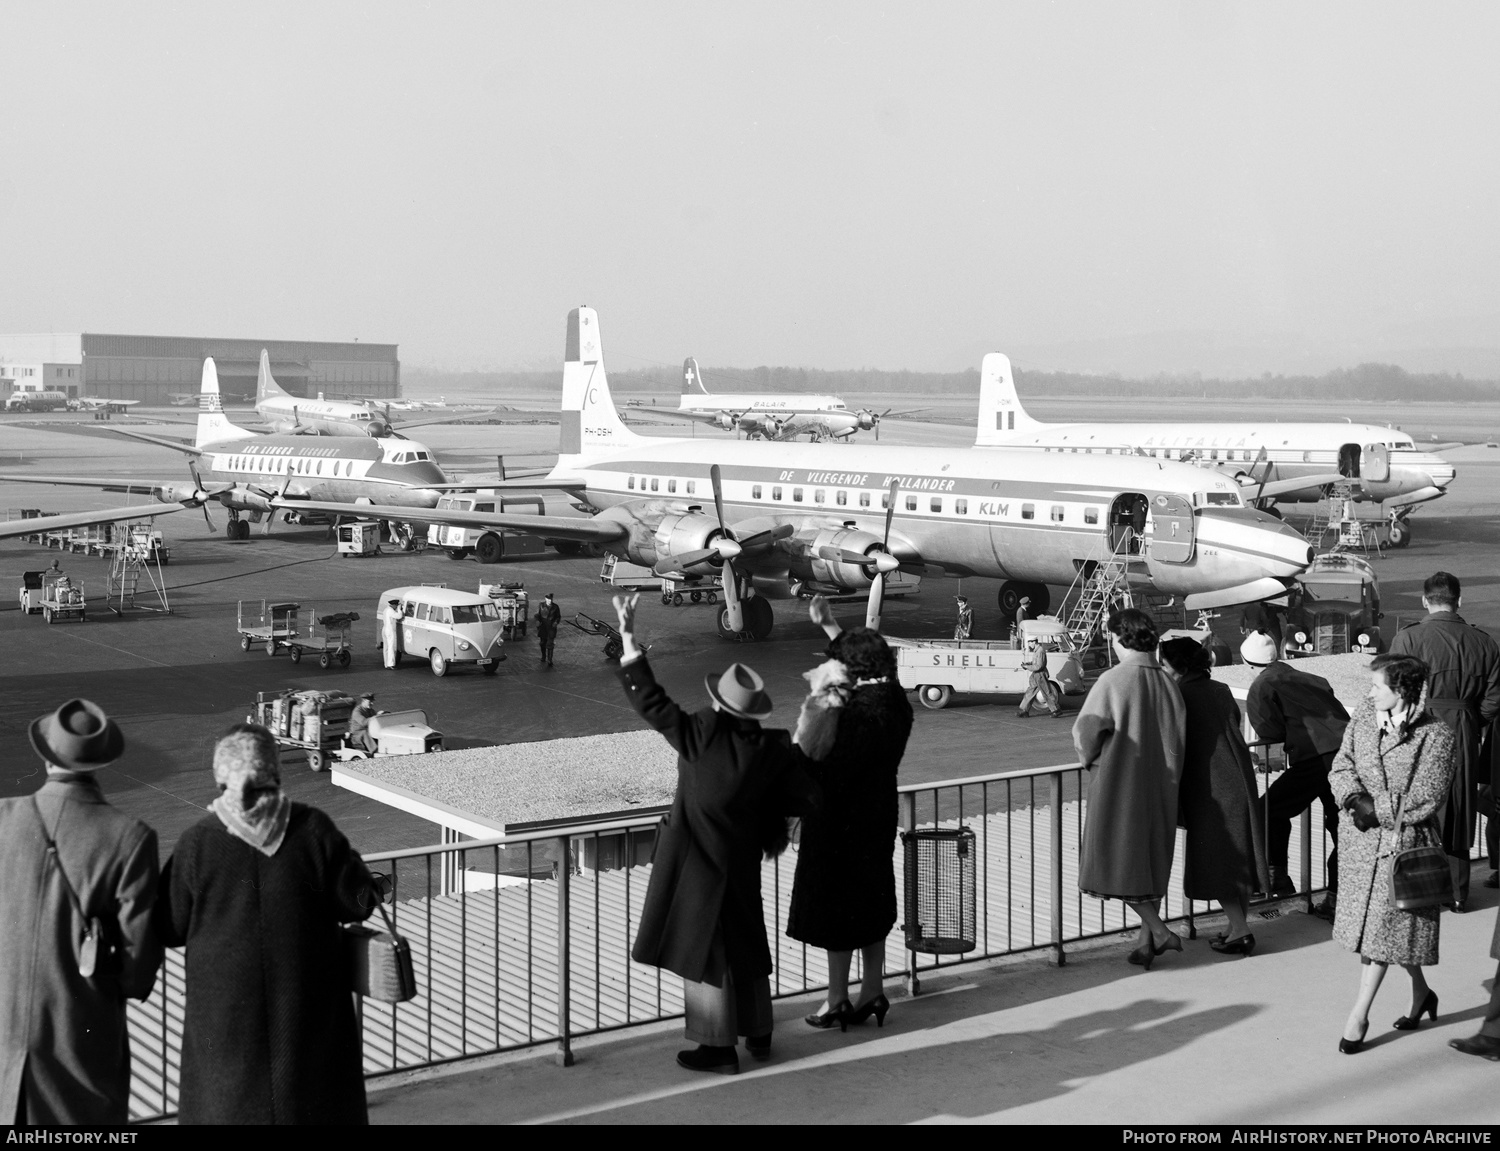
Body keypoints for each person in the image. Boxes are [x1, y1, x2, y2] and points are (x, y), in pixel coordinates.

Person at [614, 592, 814, 1075]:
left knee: (705, 951)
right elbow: (801, 794)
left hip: (698, 864)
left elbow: (653, 704)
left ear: (718, 701)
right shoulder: (771, 749)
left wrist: (627, 636)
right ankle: (760, 1033)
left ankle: (717, 1047)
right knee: (748, 940)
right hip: (743, 858)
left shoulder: (702, 732)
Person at [156, 724, 383, 1123]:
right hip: (305, 1011)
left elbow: (169, 925)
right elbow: (357, 902)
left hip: (225, 1020)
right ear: (272, 770)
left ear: (221, 774)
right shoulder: (312, 829)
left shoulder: (198, 842)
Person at [0, 699, 163, 1125]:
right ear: (101, 760)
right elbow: (136, 974)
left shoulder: (2, 817)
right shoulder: (130, 838)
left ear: (46, 754)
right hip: (79, 1060)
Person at [788, 597, 912, 1031]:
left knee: (836, 911)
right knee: (872, 904)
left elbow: (809, 760)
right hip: (877, 819)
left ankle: (837, 999)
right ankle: (872, 991)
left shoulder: (843, 712)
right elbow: (863, 656)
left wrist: (819, 703)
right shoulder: (897, 703)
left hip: (836, 825)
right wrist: (829, 626)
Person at [1328, 654, 1456, 1054]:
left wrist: (1376, 810)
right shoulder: (1366, 715)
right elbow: (1341, 764)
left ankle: (1358, 1016)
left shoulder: (1437, 736)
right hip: (1359, 843)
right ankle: (1421, 993)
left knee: (1379, 936)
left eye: (1377, 686)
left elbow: (1427, 797)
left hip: (1401, 847)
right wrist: (1352, 798)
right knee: (1389, 935)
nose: (1369, 693)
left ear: (1401, 690)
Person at [1073, 608, 1187, 968]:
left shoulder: (1113, 680)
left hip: (1119, 785)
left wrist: (1091, 759)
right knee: (1148, 863)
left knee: (1114, 862)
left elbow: (1085, 733)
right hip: (1163, 785)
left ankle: (1161, 931)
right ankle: (1146, 943)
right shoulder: (1168, 683)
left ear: (1118, 638)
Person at [1388, 572, 1500, 909]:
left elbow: (1392, 692)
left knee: (1412, 805)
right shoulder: (1485, 642)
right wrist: (1467, 719)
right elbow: (1494, 699)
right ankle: (1456, 893)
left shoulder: (1408, 639)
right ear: (1459, 601)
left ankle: (1415, 889)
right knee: (1459, 808)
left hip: (1418, 729)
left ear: (1425, 600)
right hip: (1462, 729)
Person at [1159, 638, 1270, 954]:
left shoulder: (1180, 696)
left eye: (1165, 664)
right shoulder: (1220, 690)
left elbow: (1174, 745)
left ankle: (1241, 930)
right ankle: (1235, 927)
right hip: (1238, 782)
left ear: (1178, 666)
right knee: (1240, 860)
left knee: (1217, 863)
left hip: (1210, 790)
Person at [1242, 629, 1349, 915]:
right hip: (1349, 751)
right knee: (1344, 827)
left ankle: (1277, 877)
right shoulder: (1313, 678)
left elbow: (1268, 730)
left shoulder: (1263, 685)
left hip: (1317, 758)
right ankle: (1339, 902)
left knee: (1267, 811)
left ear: (1248, 663)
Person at [1017, 636, 1063, 718]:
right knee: (1030, 692)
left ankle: (1056, 710)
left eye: (1030, 642)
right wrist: (1028, 664)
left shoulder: (1040, 651)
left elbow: (1039, 666)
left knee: (1046, 693)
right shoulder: (1037, 650)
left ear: (1034, 642)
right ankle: (1023, 710)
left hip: (1040, 675)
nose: (1029, 644)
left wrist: (1027, 667)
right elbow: (1035, 662)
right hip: (1036, 675)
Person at [536, 592, 562, 666]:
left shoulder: (555, 607)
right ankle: (543, 656)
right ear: (545, 599)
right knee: (542, 643)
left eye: (550, 599)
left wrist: (556, 622)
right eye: (548, 599)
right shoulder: (541, 605)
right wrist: (538, 620)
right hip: (543, 627)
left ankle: (550, 660)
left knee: (550, 644)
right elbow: (537, 614)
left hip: (551, 628)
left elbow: (558, 617)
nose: (549, 601)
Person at [381, 597, 401, 669]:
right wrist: (399, 610)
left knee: (386, 647)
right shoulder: (391, 611)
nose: (396, 607)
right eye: (396, 605)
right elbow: (399, 616)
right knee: (391, 647)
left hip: (384, 629)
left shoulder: (386, 610)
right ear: (394, 605)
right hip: (390, 630)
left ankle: (386, 663)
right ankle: (390, 664)